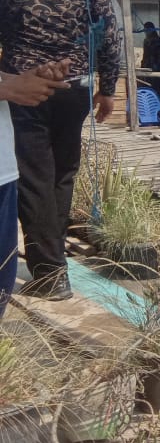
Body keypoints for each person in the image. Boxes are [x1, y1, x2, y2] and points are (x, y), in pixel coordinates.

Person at [0, 0, 121, 301]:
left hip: (24, 89)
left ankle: (50, 274)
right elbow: (110, 36)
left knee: (34, 178)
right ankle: (54, 262)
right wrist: (108, 89)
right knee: (62, 173)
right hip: (76, 90)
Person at [0, 63, 71, 317]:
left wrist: (20, 80)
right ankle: (52, 269)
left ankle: (51, 269)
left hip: (4, 168)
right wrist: (7, 88)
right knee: (49, 179)